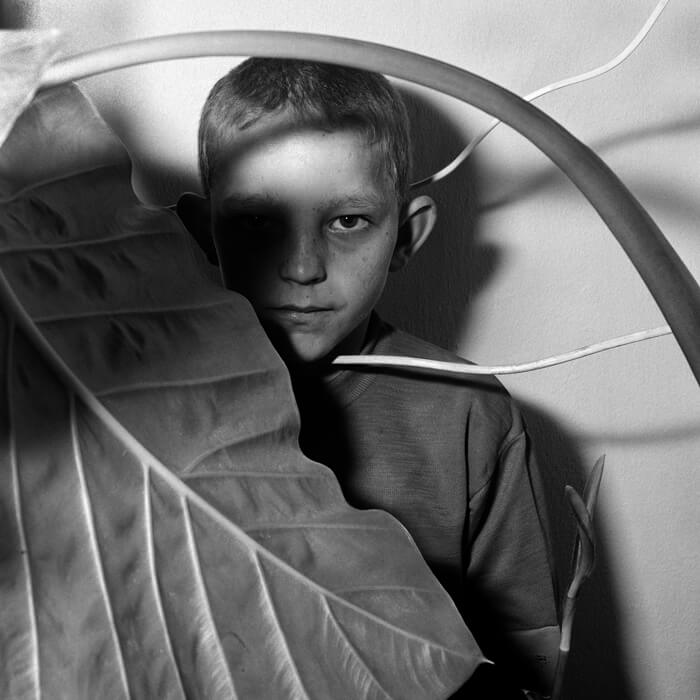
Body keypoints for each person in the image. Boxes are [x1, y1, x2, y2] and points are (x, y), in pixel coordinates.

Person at [179, 58, 560, 698]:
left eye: (347, 220)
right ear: (202, 233)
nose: (302, 267)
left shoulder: (468, 413)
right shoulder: (131, 404)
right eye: (257, 223)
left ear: (406, 235)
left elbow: (530, 662)